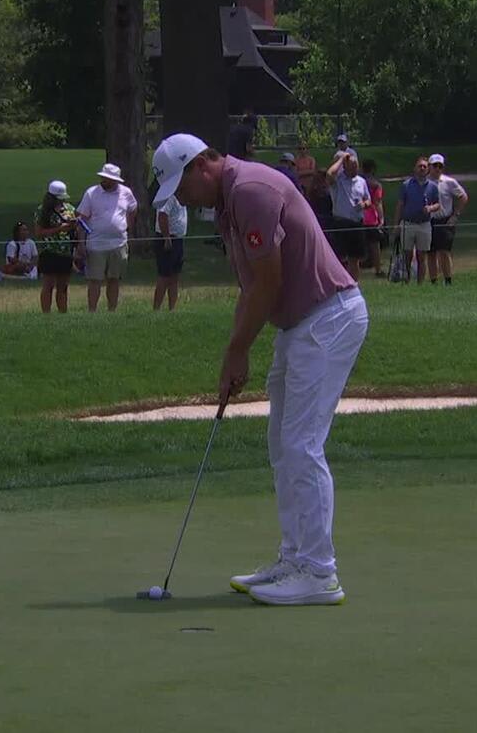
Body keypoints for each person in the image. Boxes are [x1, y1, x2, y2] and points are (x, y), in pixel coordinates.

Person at [151, 132, 367, 607]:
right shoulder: (229, 202)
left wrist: (237, 352)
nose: (182, 198)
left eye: (181, 188)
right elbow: (251, 290)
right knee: (282, 444)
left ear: (200, 166)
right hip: (302, 325)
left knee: (301, 444)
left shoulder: (249, 190)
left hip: (328, 317)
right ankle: (295, 558)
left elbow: (269, 283)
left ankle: (319, 572)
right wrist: (235, 348)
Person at [76, 163, 137, 312]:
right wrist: (81, 243)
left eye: (108, 179)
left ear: (115, 180)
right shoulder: (91, 193)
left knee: (114, 279)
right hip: (96, 244)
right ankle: (92, 311)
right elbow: (81, 219)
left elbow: (133, 209)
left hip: (118, 243)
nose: (104, 181)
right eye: (103, 178)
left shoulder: (126, 193)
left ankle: (112, 310)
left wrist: (127, 228)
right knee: (95, 280)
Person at [392, 157, 439, 284]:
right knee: (407, 255)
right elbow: (400, 205)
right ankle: (406, 281)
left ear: (428, 169)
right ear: (415, 169)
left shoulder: (433, 187)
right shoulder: (406, 185)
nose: (422, 168)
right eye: (420, 166)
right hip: (408, 224)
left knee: (421, 256)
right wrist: (396, 225)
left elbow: (438, 204)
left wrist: (430, 208)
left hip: (424, 225)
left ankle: (420, 284)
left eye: (424, 166)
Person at [325, 151, 370, 280]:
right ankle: (339, 283)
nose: (355, 168)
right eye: (352, 166)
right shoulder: (337, 181)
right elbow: (329, 174)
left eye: (356, 165)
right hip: (341, 222)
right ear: (345, 167)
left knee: (354, 258)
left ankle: (354, 285)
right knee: (339, 258)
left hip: (357, 222)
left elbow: (369, 200)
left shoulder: (361, 181)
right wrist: (341, 159)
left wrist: (364, 204)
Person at [35, 181, 79, 313]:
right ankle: (46, 313)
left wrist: (74, 226)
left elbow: (74, 230)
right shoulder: (41, 211)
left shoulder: (70, 209)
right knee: (48, 285)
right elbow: (39, 233)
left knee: (63, 286)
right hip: (49, 252)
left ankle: (63, 313)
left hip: (66, 252)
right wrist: (59, 229)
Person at [426, 153, 467, 285]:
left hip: (445, 220)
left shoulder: (449, 182)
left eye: (440, 166)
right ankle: (433, 281)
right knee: (431, 253)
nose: (437, 169)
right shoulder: (424, 182)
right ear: (429, 167)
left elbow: (463, 197)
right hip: (428, 221)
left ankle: (448, 280)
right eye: (435, 166)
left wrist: (455, 215)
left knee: (444, 251)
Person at [153, 189, 188, 311]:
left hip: (178, 238)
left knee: (175, 275)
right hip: (168, 238)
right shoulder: (168, 195)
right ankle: (156, 309)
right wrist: (166, 238)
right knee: (164, 275)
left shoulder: (181, 194)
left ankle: (172, 309)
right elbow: (162, 215)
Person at [359, 158, 387, 277]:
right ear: (373, 169)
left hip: (358, 216)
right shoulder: (376, 185)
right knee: (375, 245)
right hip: (371, 218)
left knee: (358, 245)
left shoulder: (358, 182)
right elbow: (377, 202)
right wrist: (381, 218)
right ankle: (378, 269)